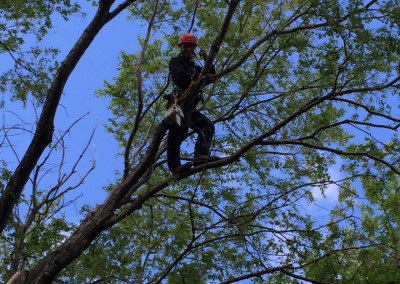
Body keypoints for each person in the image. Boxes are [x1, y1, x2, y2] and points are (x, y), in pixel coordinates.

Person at [165, 32, 219, 175]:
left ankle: (200, 155)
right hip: (180, 102)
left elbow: (212, 74)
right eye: (185, 47)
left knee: (206, 125)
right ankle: (175, 166)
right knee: (178, 132)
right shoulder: (176, 62)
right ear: (180, 47)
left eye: (191, 47)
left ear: (194, 48)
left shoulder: (194, 66)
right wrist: (202, 77)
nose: (188, 49)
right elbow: (182, 79)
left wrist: (206, 58)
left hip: (190, 106)